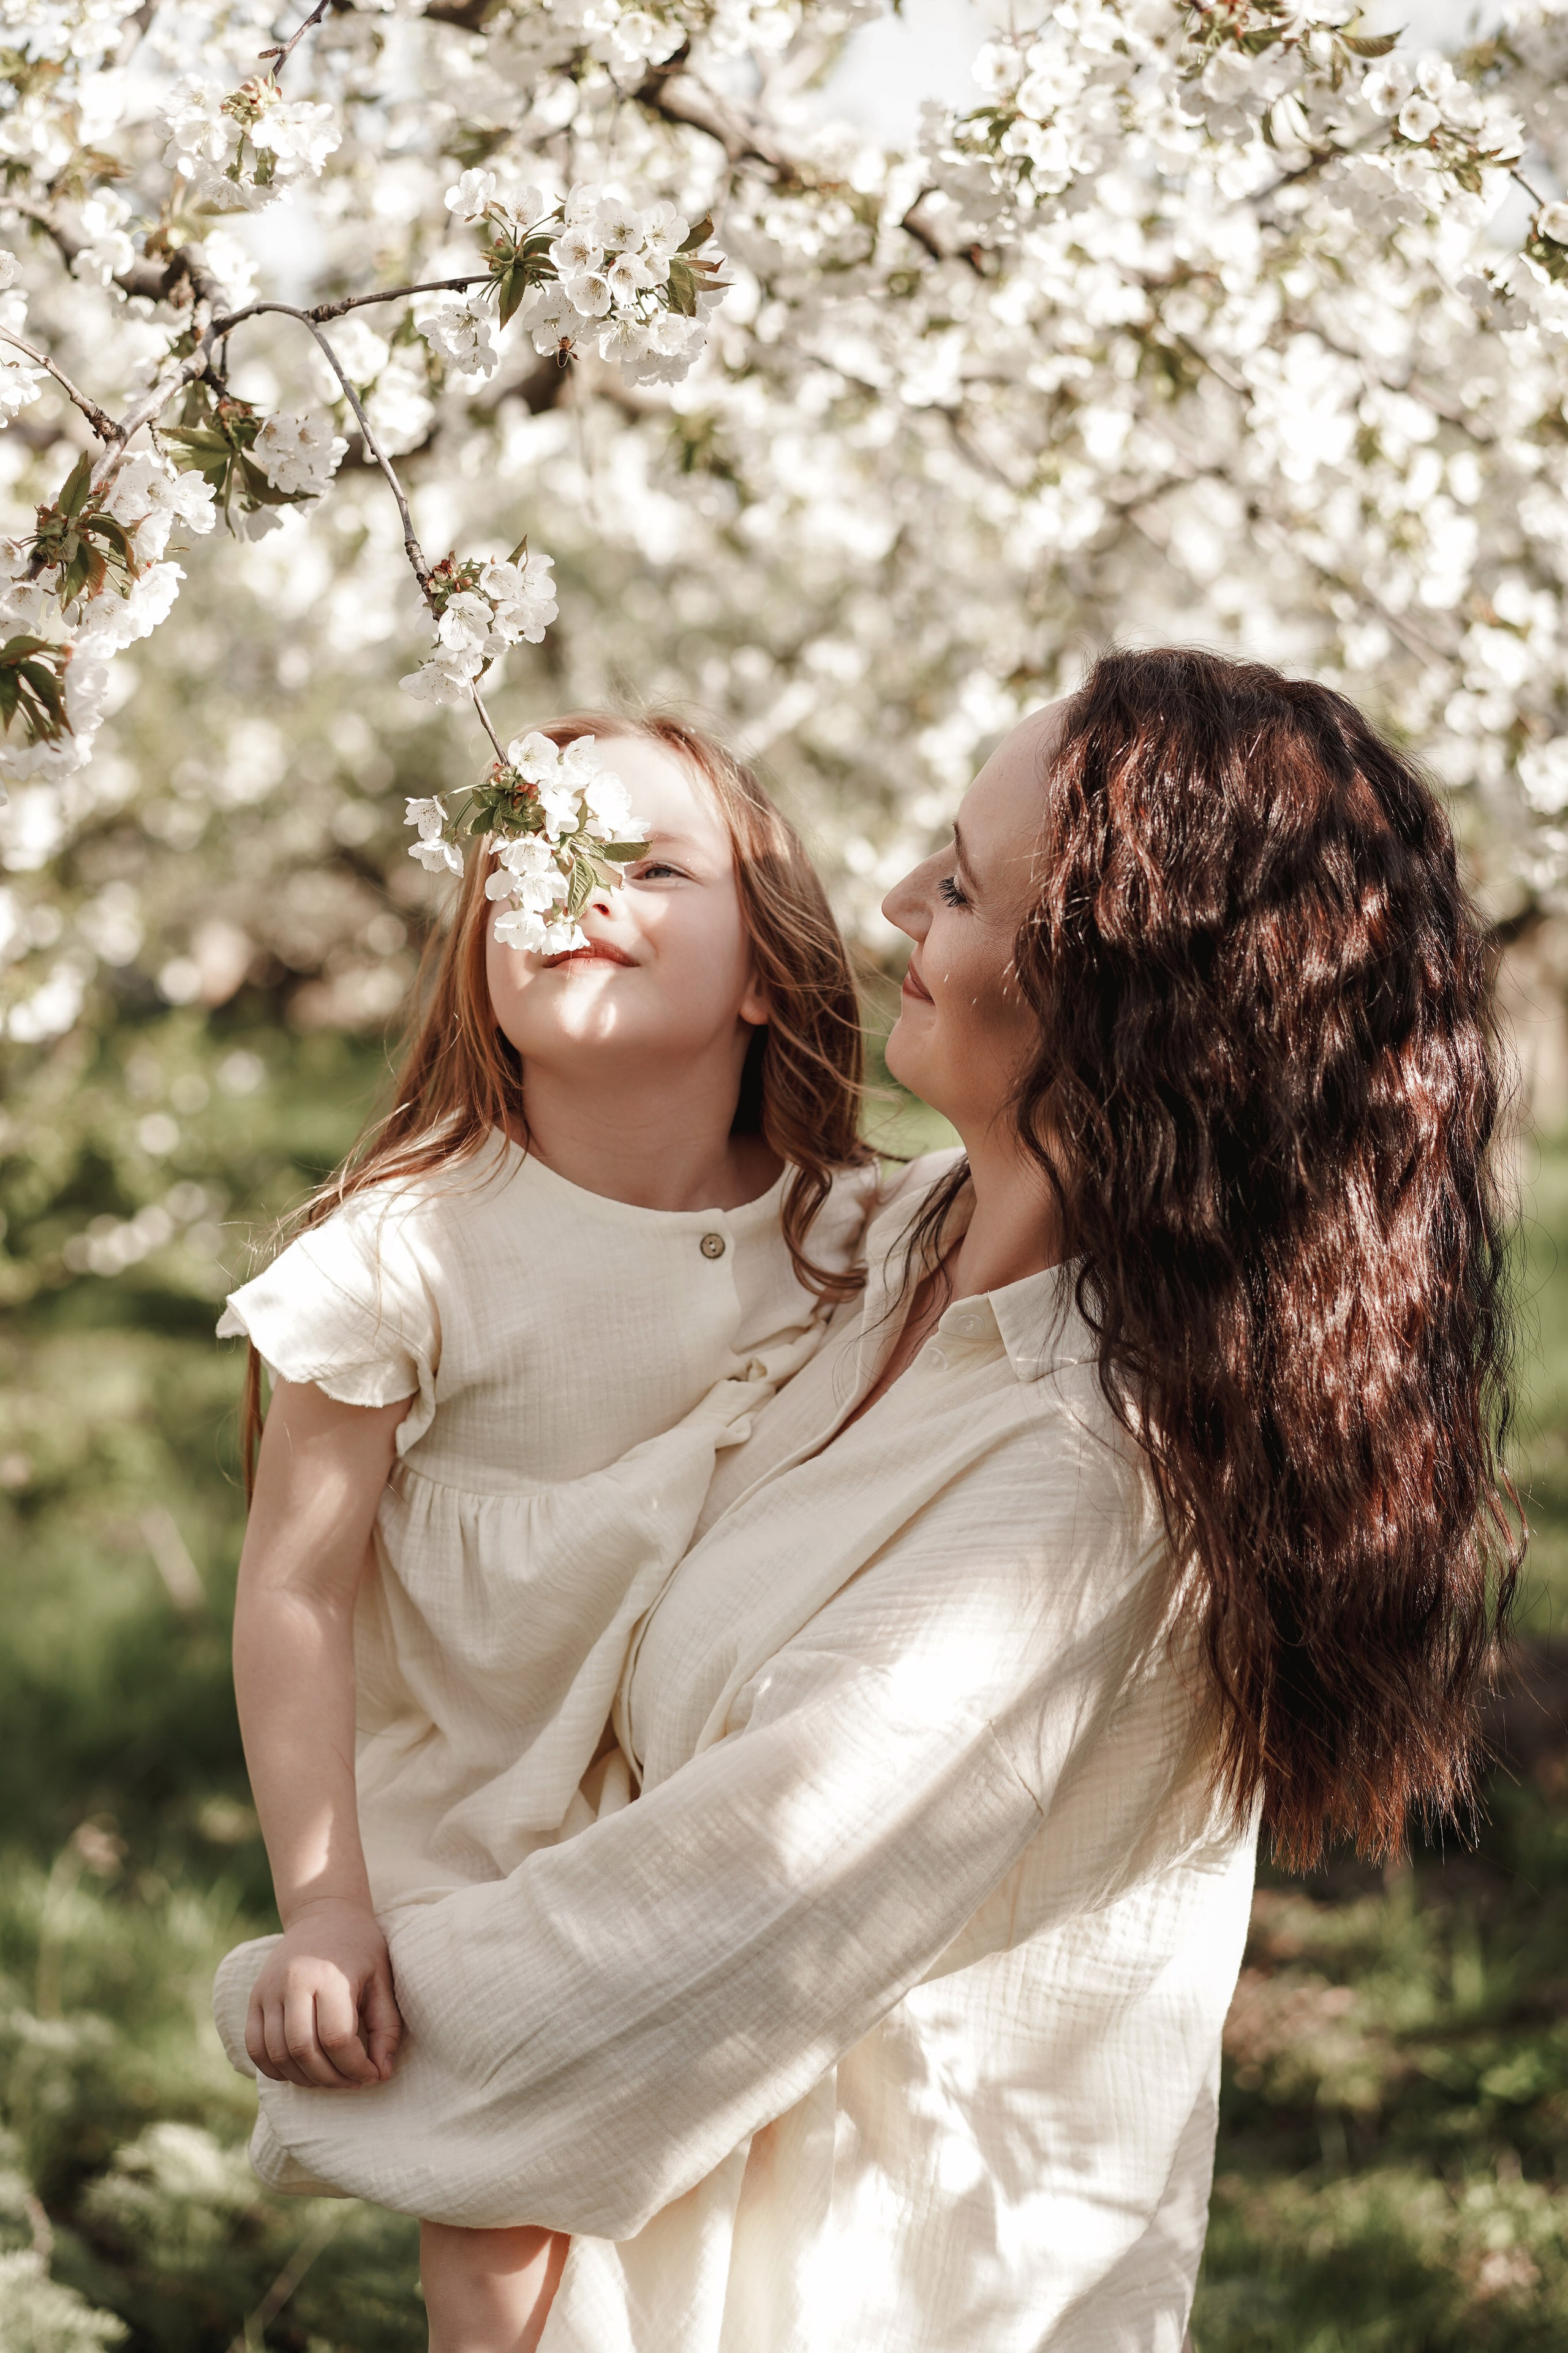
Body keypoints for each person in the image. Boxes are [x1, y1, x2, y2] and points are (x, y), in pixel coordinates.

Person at [218, 650, 1519, 2353]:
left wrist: (286, 1999)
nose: (894, 897)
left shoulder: (1086, 1478)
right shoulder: (874, 1250)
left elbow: (727, 1908)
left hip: (859, 2282)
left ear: (1117, 1002)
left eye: (964, 888)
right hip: (655, 2242)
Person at [212, 712, 879, 2341]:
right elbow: (296, 1588)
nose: (576, 887)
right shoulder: (411, 1253)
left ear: (768, 969)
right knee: (507, 2220)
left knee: (768, 2204)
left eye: (650, 865)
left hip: (740, 1798)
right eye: (532, 860)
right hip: (486, 1799)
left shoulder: (855, 1234)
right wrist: (327, 1903)